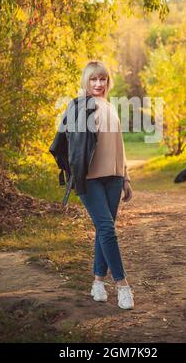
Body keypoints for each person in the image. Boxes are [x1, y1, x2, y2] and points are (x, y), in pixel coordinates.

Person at [78, 60, 134, 310]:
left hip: (113, 179)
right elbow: (71, 148)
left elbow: (119, 146)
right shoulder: (79, 107)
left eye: (102, 79)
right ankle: (123, 286)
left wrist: (126, 177)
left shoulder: (111, 107)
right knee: (108, 230)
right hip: (89, 180)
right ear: (86, 82)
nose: (98, 84)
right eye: (93, 79)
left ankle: (98, 282)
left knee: (104, 230)